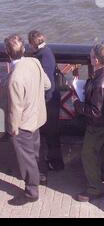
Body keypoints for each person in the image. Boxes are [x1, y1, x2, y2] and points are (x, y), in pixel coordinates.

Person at [5, 34, 51, 206]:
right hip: (37, 118)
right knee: (34, 152)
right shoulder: (35, 62)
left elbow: (15, 110)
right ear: (24, 49)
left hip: (24, 124)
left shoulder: (14, 79)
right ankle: (39, 176)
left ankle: (32, 191)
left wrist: (13, 129)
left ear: (7, 53)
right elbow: (47, 85)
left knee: (26, 158)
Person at [73, 44, 104, 202]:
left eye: (91, 56)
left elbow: (95, 112)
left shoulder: (100, 83)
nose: (89, 57)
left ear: (97, 60)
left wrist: (77, 104)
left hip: (97, 125)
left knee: (88, 154)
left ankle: (94, 188)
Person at [28, 30, 64, 180]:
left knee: (51, 134)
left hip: (48, 102)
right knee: (52, 133)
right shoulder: (47, 52)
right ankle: (55, 161)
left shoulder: (42, 57)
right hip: (53, 99)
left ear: (32, 44)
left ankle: (56, 163)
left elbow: (46, 83)